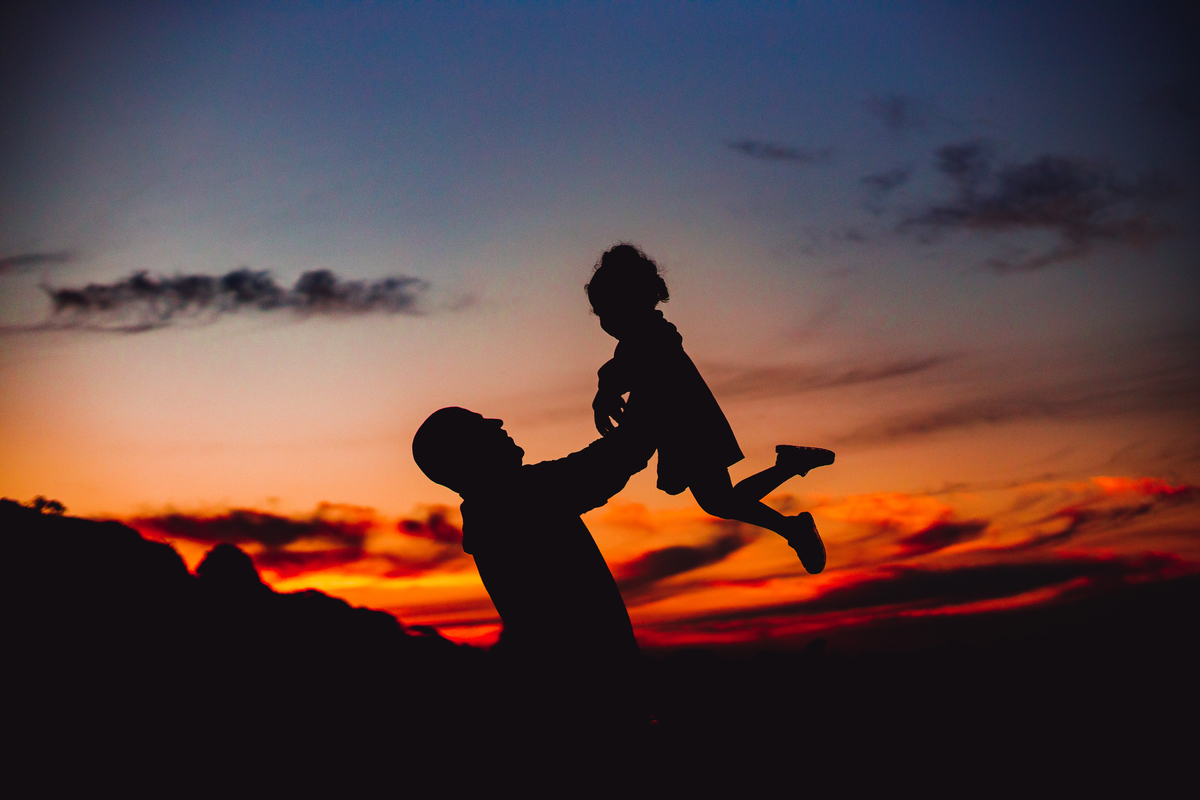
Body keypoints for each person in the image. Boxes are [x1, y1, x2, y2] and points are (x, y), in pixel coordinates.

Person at [586, 243, 834, 574]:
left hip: (690, 426)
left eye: (607, 310)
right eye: (599, 313)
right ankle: (792, 510)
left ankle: (792, 506)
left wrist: (607, 390)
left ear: (631, 302)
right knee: (720, 500)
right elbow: (630, 370)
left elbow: (635, 366)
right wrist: (609, 390)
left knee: (720, 501)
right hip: (683, 427)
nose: (604, 320)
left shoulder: (654, 335)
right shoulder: (642, 339)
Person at [411, 406, 654, 730]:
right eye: (480, 424)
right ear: (466, 453)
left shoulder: (496, 508)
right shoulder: (514, 500)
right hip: (592, 700)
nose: (496, 422)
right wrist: (655, 392)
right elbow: (617, 456)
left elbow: (614, 457)